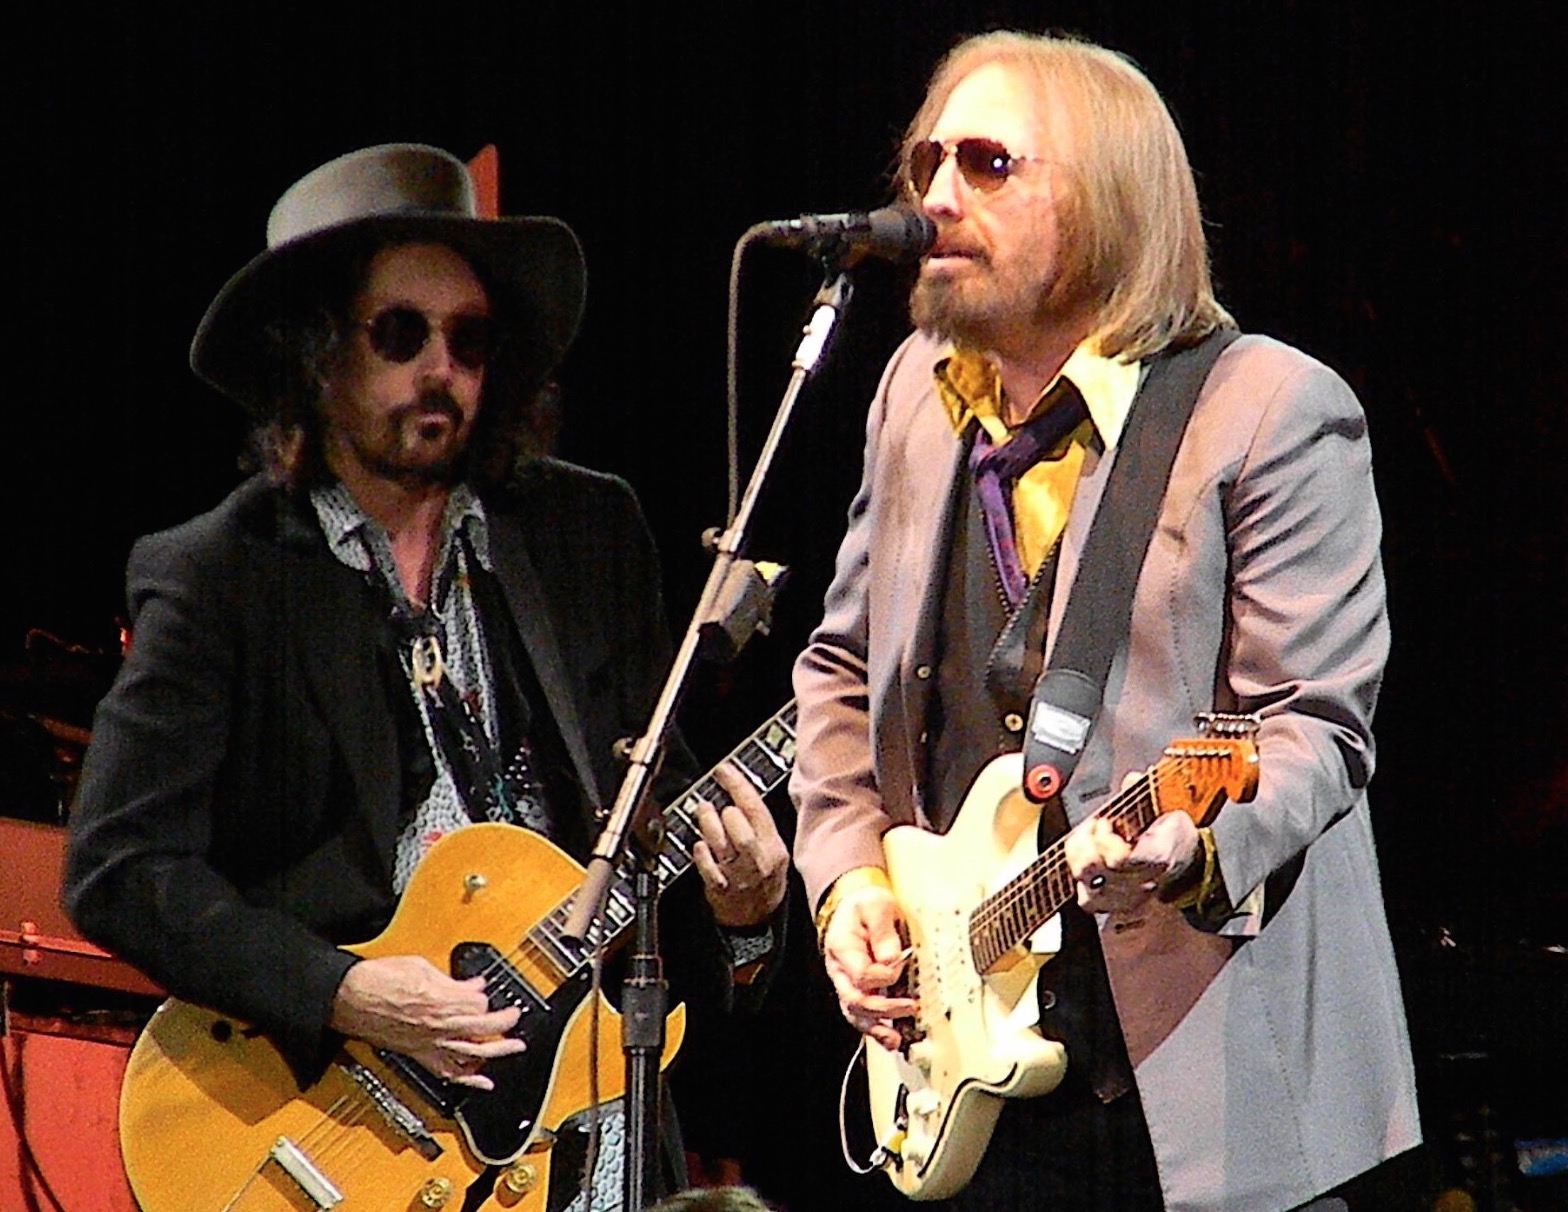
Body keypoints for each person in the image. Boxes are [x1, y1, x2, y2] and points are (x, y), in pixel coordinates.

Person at [64, 143, 788, 1210]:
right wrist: (347, 991)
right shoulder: (221, 573)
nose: (439, 368)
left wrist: (745, 909)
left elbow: (652, 809)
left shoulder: (584, 535)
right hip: (337, 1123)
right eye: (400, 334)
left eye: (469, 339)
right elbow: (119, 867)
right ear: (317, 354)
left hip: (580, 1131)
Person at [791, 31, 1420, 1212]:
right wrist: (845, 883)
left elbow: (1312, 726)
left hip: (1200, 1089)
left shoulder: (1270, 411)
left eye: (986, 164)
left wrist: (1196, 848)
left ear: (1111, 201)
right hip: (965, 1057)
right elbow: (835, 669)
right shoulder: (915, 399)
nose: (934, 197)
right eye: (928, 161)